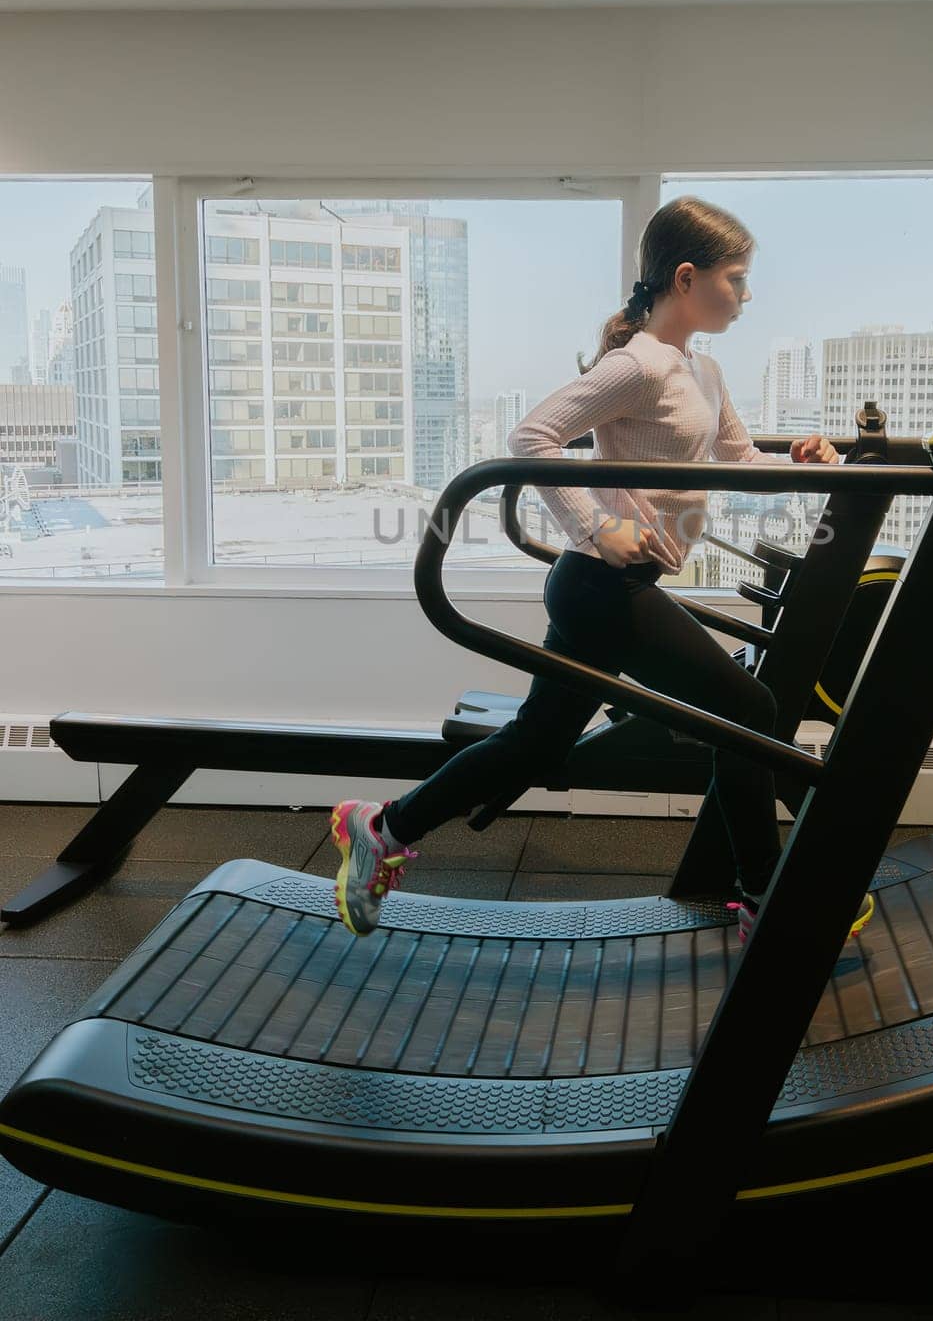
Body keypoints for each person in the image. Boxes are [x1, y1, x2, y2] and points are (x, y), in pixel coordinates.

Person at [330, 196, 871, 946]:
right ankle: (760, 898)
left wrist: (805, 461)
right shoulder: (639, 365)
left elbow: (740, 462)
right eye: (736, 280)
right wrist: (596, 523)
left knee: (534, 743)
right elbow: (532, 436)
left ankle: (380, 829)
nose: (746, 297)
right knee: (747, 715)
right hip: (599, 587)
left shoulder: (703, 373)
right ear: (686, 278)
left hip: (619, 590)